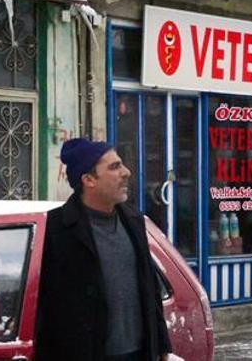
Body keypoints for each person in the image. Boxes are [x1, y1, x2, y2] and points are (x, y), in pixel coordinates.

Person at [35, 138, 172, 361]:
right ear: (89, 179)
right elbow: (47, 310)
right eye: (114, 167)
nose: (126, 172)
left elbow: (150, 290)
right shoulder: (57, 229)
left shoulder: (134, 221)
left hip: (139, 354)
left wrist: (162, 347)